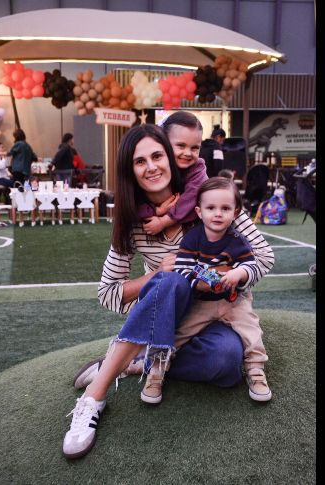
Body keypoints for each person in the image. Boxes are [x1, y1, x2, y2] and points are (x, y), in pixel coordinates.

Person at [63, 123, 275, 459]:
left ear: (170, 157)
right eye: (139, 161)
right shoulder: (132, 220)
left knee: (226, 362)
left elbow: (263, 257)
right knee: (172, 278)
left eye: (157, 155)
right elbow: (108, 293)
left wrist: (223, 275)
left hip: (214, 312)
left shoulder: (210, 199)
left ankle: (136, 360)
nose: (152, 167)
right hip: (165, 316)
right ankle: (95, 394)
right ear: (129, 171)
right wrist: (155, 276)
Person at [174, 176, 272, 401]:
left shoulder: (237, 239)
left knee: (251, 330)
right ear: (199, 212)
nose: (218, 213)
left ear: (236, 213)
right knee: (180, 332)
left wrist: (240, 273)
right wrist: (197, 282)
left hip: (233, 301)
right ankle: (158, 364)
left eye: (225, 208)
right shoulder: (192, 238)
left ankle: (256, 370)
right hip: (202, 301)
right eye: (211, 208)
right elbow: (182, 267)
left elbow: (250, 263)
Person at [137, 111, 207, 236]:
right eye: (181, 145)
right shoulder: (153, 170)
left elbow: (190, 199)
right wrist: (155, 211)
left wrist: (163, 221)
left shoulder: (197, 169)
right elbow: (131, 199)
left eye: (195, 148)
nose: (188, 153)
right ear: (164, 142)